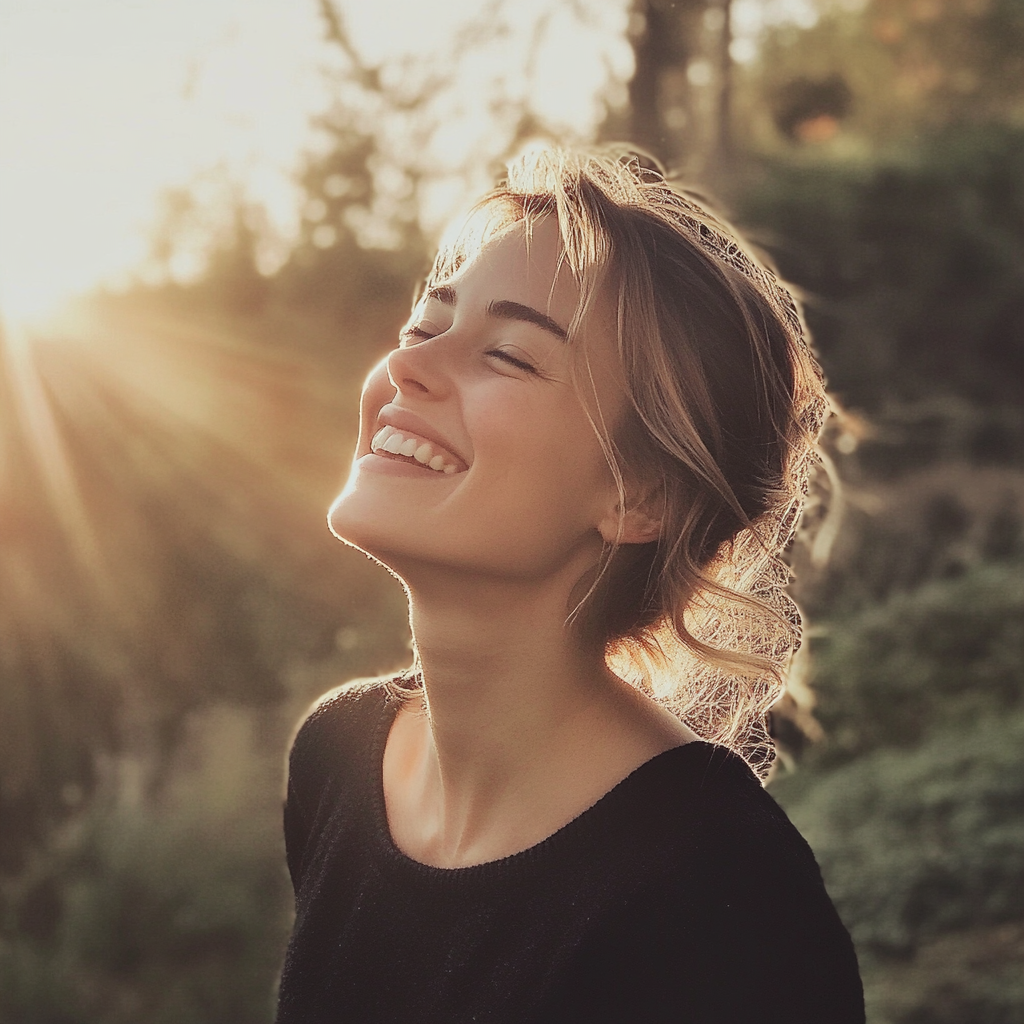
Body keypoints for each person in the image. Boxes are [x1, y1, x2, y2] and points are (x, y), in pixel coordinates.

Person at [274, 148, 865, 1024]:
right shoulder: (337, 756)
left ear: (641, 495)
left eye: (507, 355)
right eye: (425, 325)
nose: (410, 367)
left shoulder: (717, 893)